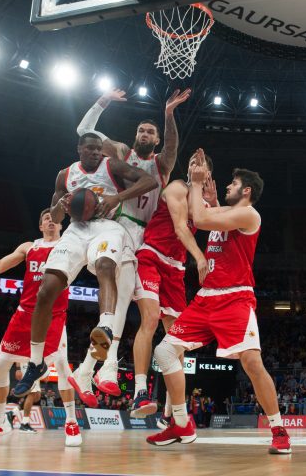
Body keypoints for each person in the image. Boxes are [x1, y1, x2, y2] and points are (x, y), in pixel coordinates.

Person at [147, 150, 291, 454]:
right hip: (205, 299)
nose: (227, 185)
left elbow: (199, 219)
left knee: (251, 362)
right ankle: (181, 423)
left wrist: (196, 184)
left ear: (247, 191)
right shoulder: (223, 211)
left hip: (235, 297)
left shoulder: (250, 214)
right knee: (164, 351)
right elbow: (208, 215)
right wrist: (210, 200)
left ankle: (278, 429)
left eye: (233, 183)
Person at [13, 133, 158, 397]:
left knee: (105, 265)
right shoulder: (64, 175)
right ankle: (35, 364)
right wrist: (61, 205)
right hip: (75, 230)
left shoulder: (111, 165)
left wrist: (117, 197)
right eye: (89, 148)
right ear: (79, 149)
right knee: (46, 289)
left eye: (98, 149)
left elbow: (149, 180)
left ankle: (104, 325)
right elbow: (55, 218)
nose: (95, 152)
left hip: (107, 227)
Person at [72, 88, 190, 399]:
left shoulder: (162, 165)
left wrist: (168, 115)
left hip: (147, 239)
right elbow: (85, 131)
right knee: (120, 301)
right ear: (135, 135)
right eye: (142, 129)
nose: (145, 134)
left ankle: (86, 370)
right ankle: (105, 366)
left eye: (151, 132)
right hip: (120, 226)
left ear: (156, 139)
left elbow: (173, 144)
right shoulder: (123, 153)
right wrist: (103, 100)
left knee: (123, 305)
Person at [0, 209, 81, 446]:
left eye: (53, 218)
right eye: (45, 218)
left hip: (54, 316)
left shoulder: (69, 244)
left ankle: (71, 423)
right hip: (25, 315)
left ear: (61, 224)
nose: (49, 221)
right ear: (40, 226)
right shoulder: (29, 247)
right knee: (0, 364)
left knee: (63, 370)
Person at [131, 151, 217, 420]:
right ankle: (139, 392)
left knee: (176, 340)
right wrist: (200, 256)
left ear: (208, 174)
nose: (193, 166)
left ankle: (172, 410)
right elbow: (181, 227)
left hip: (175, 270)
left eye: (199, 164)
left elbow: (221, 227)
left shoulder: (202, 201)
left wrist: (213, 200)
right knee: (150, 318)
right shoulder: (178, 187)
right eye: (191, 162)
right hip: (151, 256)